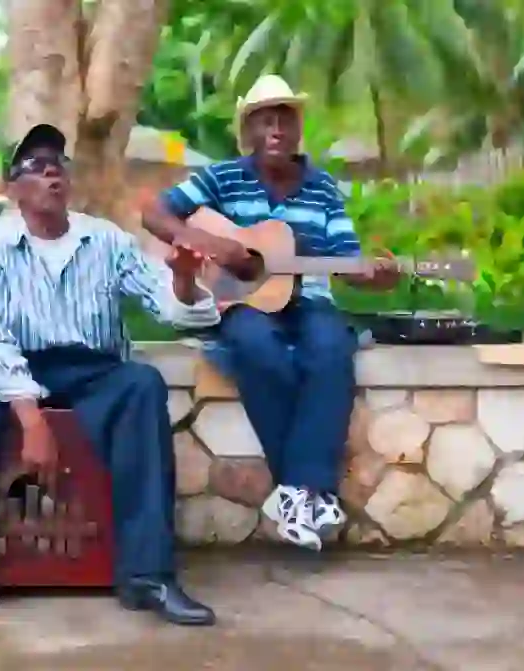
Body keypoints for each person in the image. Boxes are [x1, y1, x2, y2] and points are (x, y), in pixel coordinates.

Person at [0, 123, 248, 630]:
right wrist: (31, 418)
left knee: (142, 387)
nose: (50, 172)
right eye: (35, 166)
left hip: (93, 370)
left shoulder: (106, 240)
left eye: (57, 163)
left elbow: (177, 312)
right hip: (20, 367)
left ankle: (147, 576)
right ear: (13, 187)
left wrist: (182, 280)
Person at [142, 75, 399, 552]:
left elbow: (345, 258)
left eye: (285, 118)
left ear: (298, 128)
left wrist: (374, 275)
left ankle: (295, 492)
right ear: (249, 130)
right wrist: (216, 244)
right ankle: (309, 490)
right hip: (244, 304)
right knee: (256, 346)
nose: (276, 128)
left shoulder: (322, 188)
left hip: (311, 300)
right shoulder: (222, 178)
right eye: (265, 119)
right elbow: (156, 214)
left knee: (331, 347)